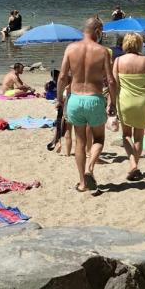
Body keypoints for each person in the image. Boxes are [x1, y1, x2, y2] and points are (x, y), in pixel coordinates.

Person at [57, 16, 116, 193]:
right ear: (97, 32)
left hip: (75, 99)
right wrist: (112, 102)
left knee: (80, 142)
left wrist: (60, 98)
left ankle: (82, 183)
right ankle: (90, 168)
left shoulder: (70, 48)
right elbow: (111, 81)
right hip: (94, 98)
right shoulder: (102, 51)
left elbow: (61, 77)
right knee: (98, 139)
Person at [112, 33, 145, 181]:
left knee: (126, 135)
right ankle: (134, 166)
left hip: (125, 101)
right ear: (139, 44)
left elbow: (114, 84)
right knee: (139, 137)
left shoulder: (118, 61)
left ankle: (133, 165)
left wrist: (111, 104)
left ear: (125, 44)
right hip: (142, 102)